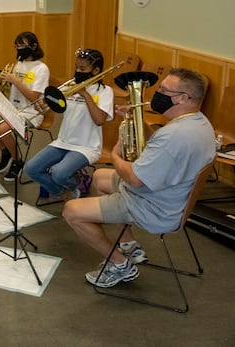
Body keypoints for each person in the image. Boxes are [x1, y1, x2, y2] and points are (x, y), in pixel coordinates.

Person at [63, 68, 215, 288]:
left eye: (164, 90)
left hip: (154, 207)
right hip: (171, 194)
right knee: (100, 177)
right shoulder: (198, 123)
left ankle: (119, 265)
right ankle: (127, 243)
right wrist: (136, 122)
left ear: (183, 98)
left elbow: (134, 179)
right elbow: (161, 149)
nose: (157, 94)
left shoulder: (174, 135)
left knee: (72, 211)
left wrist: (115, 156)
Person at [24, 49, 114, 200]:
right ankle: (64, 192)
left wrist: (85, 94)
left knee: (59, 173)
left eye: (83, 69)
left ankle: (78, 181)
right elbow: (51, 107)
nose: (78, 71)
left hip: (87, 146)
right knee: (32, 168)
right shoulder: (68, 87)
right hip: (63, 142)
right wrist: (42, 106)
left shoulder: (105, 91)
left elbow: (99, 120)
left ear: (96, 70)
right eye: (76, 67)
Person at [0, 31, 50, 181]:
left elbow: (34, 97)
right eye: (16, 46)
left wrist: (16, 81)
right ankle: (6, 152)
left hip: (31, 112)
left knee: (2, 128)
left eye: (22, 46)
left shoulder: (41, 68)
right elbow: (12, 90)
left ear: (33, 46)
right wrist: (3, 83)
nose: (18, 49)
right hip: (12, 108)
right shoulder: (19, 64)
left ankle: (18, 160)